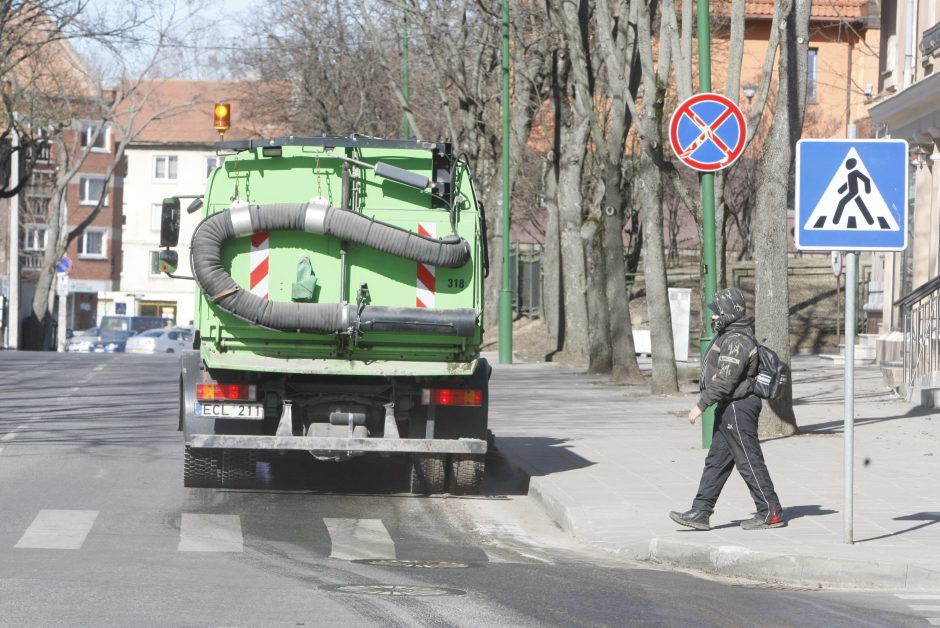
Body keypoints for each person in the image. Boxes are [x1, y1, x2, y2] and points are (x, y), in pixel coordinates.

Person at [669, 287, 785, 531]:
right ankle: (701, 511)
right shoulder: (730, 334)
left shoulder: (737, 340)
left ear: (730, 312)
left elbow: (726, 380)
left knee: (749, 460)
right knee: (716, 462)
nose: (713, 317)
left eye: (717, 312)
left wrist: (701, 405)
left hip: (738, 408)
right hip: (730, 407)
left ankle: (770, 512)